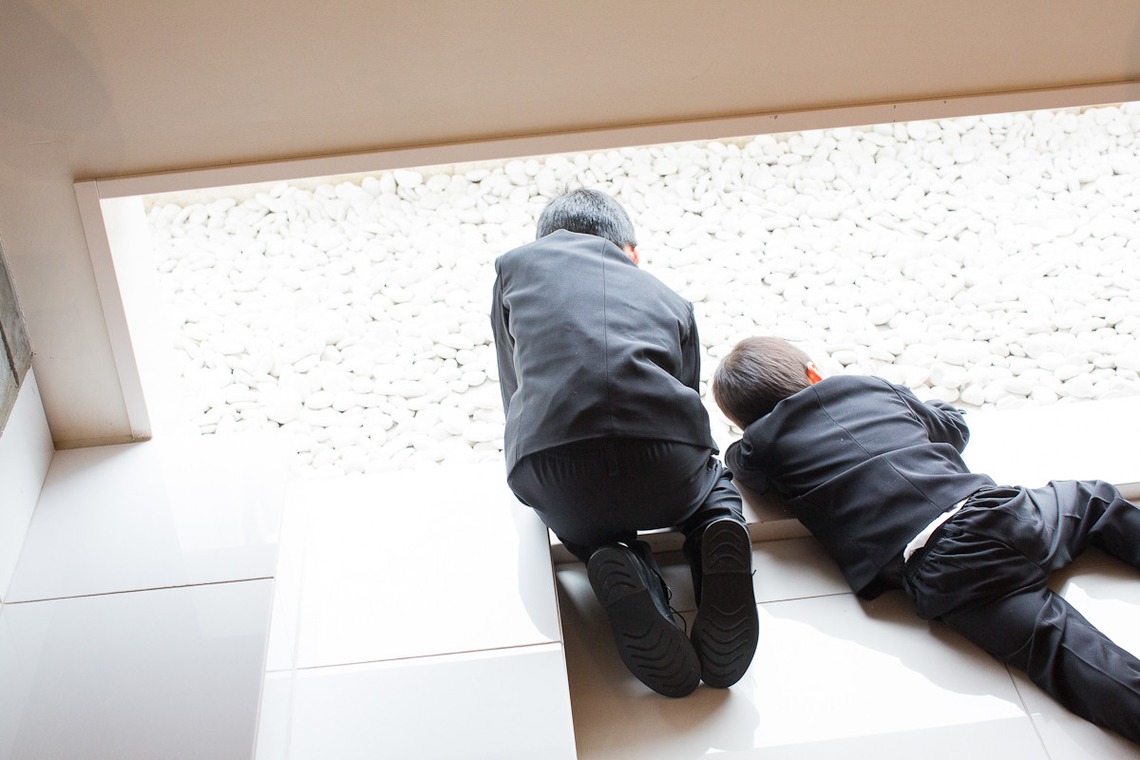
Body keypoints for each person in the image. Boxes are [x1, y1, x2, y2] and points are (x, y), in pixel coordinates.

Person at [712, 335, 1140, 743]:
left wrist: (749, 438)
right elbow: (953, 429)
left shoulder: (759, 446)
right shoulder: (868, 387)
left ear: (744, 422)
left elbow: (743, 470)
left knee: (1063, 654)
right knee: (1095, 502)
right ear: (813, 373)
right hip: (998, 515)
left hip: (944, 572)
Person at [490, 188, 758, 697]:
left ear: (545, 240)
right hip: (665, 459)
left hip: (554, 464)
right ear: (630, 253)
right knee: (712, 487)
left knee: (581, 523)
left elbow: (514, 387)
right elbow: (690, 400)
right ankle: (715, 531)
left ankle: (616, 557)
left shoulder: (514, 269)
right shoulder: (669, 298)